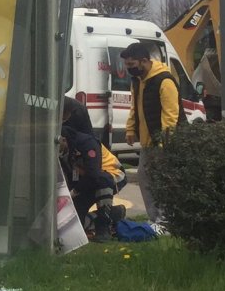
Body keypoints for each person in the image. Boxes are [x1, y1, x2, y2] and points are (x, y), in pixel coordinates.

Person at [121, 41, 180, 226]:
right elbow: (135, 107)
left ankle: (164, 221)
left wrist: (164, 143)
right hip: (148, 141)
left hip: (161, 142)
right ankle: (155, 218)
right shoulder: (138, 81)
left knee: (159, 180)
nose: (129, 69)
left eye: (131, 65)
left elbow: (171, 116)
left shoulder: (164, 81)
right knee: (145, 177)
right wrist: (131, 129)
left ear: (144, 61)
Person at [60, 123, 127, 242]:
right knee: (75, 223)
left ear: (64, 139)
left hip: (113, 175)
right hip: (87, 182)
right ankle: (114, 214)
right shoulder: (65, 152)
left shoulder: (87, 143)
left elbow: (93, 174)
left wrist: (75, 191)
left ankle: (103, 228)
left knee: (102, 180)